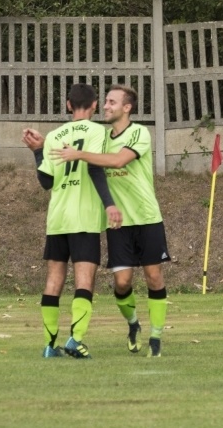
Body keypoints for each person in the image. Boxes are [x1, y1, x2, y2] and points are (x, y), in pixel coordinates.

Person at [53, 84, 170, 358]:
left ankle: (155, 338)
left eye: (112, 102)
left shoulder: (139, 132)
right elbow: (93, 167)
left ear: (127, 108)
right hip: (118, 223)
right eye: (105, 101)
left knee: (154, 277)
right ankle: (133, 324)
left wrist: (79, 154)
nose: (105, 106)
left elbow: (118, 161)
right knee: (122, 283)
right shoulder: (102, 137)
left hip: (147, 217)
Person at [21, 83, 122, 359]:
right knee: (84, 280)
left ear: (68, 105)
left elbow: (46, 181)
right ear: (94, 105)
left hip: (57, 218)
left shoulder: (54, 136)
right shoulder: (98, 131)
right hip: (83, 217)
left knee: (53, 280)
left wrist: (37, 151)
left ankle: (49, 345)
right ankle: (75, 340)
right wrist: (109, 203)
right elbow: (95, 169)